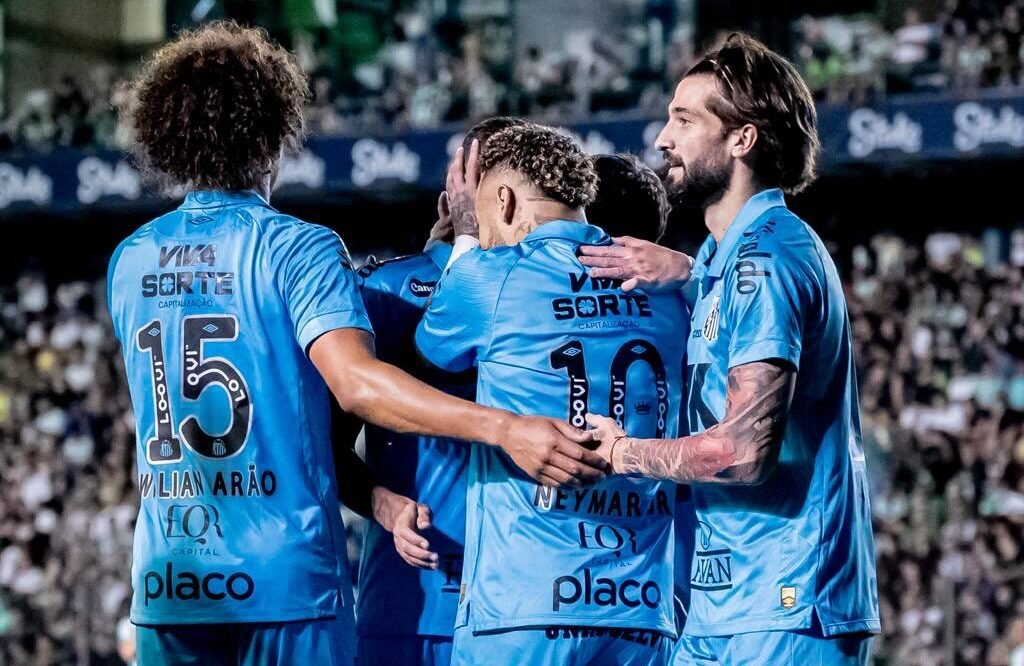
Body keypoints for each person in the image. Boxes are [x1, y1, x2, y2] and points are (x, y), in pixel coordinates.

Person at [108, 23, 603, 666]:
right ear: (272, 138)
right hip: (283, 579)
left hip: (169, 577)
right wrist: (505, 428)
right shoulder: (297, 247)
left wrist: (376, 499)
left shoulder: (129, 258)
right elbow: (355, 386)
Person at [579, 33, 881, 665]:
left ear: (742, 139)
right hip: (725, 603)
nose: (663, 138)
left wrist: (621, 452)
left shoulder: (767, 259)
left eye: (685, 120)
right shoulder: (728, 259)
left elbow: (743, 455)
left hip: (788, 601)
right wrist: (694, 273)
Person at [416, 124, 690, 666]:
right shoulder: (662, 285)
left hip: (524, 606)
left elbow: (434, 351)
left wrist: (466, 237)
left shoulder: (493, 275)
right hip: (641, 610)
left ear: (504, 200)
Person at [343, 116, 529, 666]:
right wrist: (382, 505)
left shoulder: (554, 289)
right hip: (417, 603)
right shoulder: (387, 290)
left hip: (521, 601)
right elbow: (329, 445)